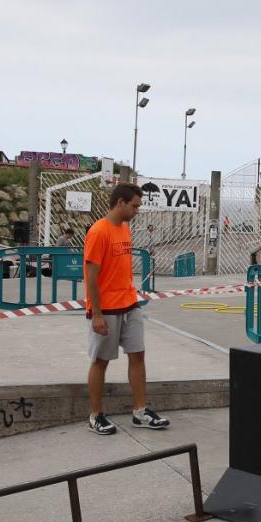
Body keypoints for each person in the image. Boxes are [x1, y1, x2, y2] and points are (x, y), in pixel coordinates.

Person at [84, 183, 168, 435]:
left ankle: (140, 411)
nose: (137, 210)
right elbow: (90, 275)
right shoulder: (99, 231)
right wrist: (97, 313)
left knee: (138, 354)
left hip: (129, 303)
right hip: (106, 309)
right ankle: (95, 415)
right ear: (120, 202)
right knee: (101, 361)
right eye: (134, 206)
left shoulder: (124, 230)